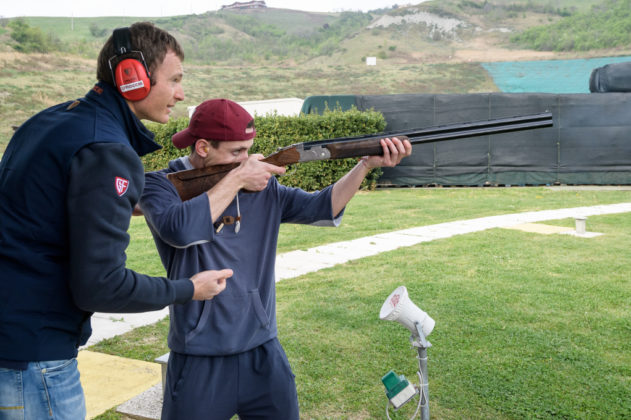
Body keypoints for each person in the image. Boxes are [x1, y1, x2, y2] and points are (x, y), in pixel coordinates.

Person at [0, 23, 232, 420]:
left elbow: (36, 214)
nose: (181, 93)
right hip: (35, 356)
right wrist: (187, 289)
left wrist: (116, 203)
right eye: (174, 80)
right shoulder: (108, 148)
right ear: (133, 78)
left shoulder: (51, 120)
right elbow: (101, 286)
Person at [138, 98, 413, 420]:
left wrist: (364, 165)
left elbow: (322, 208)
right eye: (237, 152)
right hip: (199, 355)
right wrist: (238, 179)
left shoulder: (262, 187)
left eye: (249, 150)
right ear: (202, 147)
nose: (247, 159)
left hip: (263, 349)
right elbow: (180, 230)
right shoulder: (160, 185)